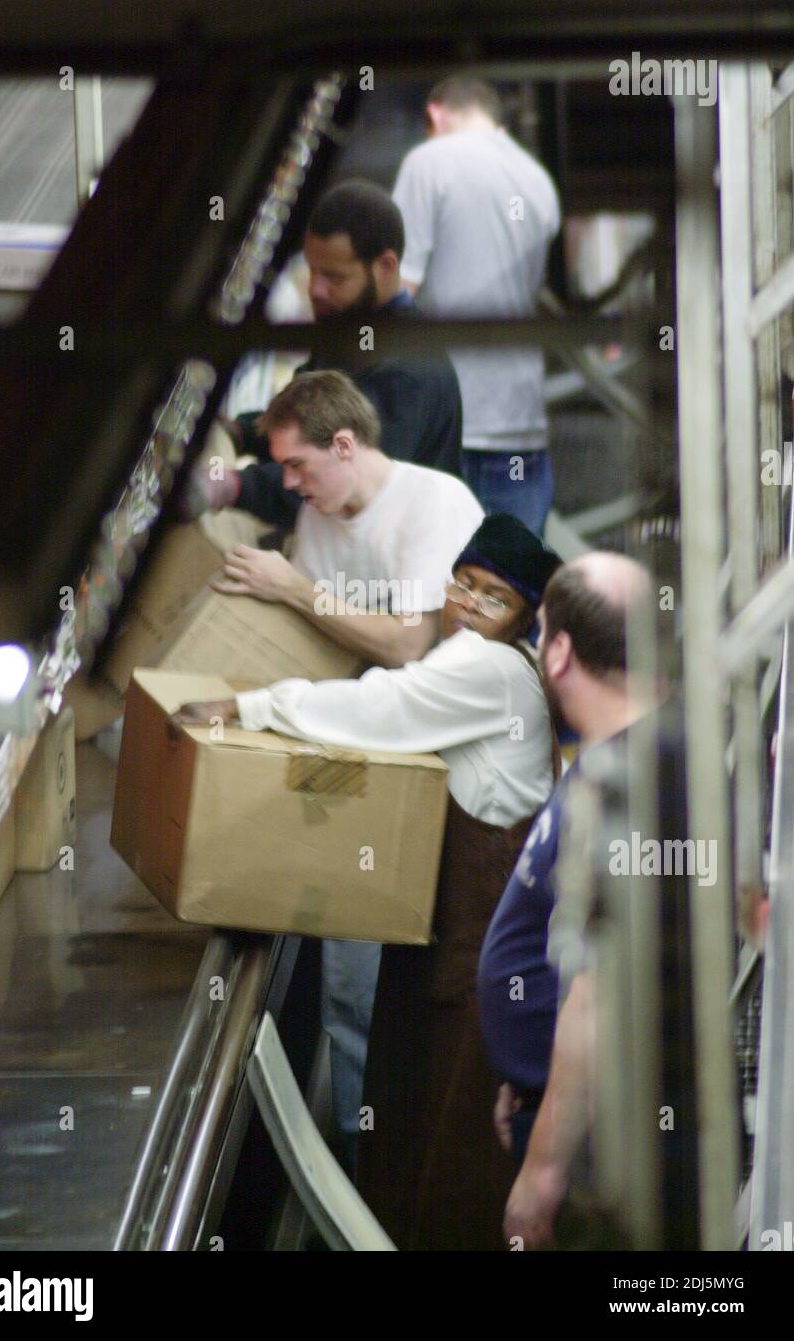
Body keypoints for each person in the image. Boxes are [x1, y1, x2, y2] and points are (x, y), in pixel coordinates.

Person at [173, 514, 562, 1245]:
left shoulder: (488, 667)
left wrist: (248, 706)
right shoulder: (497, 666)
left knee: (450, 1142)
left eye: (493, 599)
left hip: (479, 956)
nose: (468, 608)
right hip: (452, 946)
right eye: (463, 586)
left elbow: (381, 707)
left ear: (523, 620)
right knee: (418, 1118)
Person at [195, 368, 483, 1156]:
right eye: (280, 468)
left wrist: (294, 589)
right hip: (359, 767)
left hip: (447, 778)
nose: (288, 483)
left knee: (440, 992)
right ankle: (363, 1172)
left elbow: (407, 642)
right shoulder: (316, 517)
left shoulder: (435, 507)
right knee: (349, 996)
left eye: (298, 467)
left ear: (346, 445)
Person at [477, 552, 659, 1229]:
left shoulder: (627, 785)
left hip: (595, 1139)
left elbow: (600, 997)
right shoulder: (609, 757)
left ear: (557, 652)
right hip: (554, 1097)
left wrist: (544, 1166)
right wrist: (529, 1078)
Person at [186, 180, 464, 528]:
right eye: (313, 270)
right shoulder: (345, 323)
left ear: (386, 266)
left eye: (334, 276)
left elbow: (338, 478)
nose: (316, 289)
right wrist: (239, 431)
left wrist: (232, 486)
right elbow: (300, 424)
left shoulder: (406, 370)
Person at [392, 75, 561, 533]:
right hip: (521, 426)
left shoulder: (428, 162)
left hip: (445, 426)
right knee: (511, 591)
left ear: (435, 114)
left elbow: (395, 292)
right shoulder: (538, 181)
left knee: (437, 591)